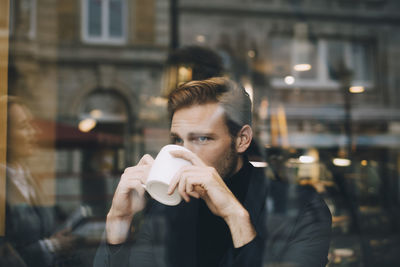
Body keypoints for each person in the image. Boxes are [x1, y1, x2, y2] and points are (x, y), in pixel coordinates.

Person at [94, 77, 332, 267]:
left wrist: (234, 216)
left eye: (202, 138)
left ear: (242, 139)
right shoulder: (167, 207)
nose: (183, 153)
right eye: (178, 139)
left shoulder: (303, 209)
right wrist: (119, 219)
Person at [1, 96, 79, 266]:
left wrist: (55, 239)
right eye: (24, 126)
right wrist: (52, 246)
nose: (34, 132)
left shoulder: (28, 178)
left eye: (31, 124)